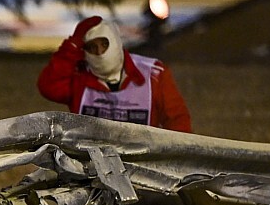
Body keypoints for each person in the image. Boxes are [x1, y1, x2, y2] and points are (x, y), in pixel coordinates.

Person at [37, 15, 191, 132]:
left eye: (104, 44)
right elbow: (48, 87)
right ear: (84, 52)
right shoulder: (80, 77)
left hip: (141, 165)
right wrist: (73, 45)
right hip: (88, 165)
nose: (100, 53)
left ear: (116, 42)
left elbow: (177, 120)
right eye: (92, 47)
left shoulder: (153, 73)